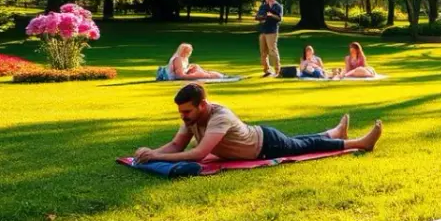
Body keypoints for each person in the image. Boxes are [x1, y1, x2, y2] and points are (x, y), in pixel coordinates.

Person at [133, 83, 382, 164]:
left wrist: (156, 158)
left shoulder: (219, 115)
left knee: (303, 147)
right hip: (260, 138)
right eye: (181, 112)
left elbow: (199, 153)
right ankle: (333, 132)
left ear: (202, 105)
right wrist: (151, 152)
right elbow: (177, 145)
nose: (184, 116)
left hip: (264, 144)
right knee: (299, 142)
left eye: (187, 111)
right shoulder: (191, 117)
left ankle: (358, 143)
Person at [254, 0, 283, 77]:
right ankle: (267, 70)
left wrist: (271, 15)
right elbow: (257, 17)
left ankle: (278, 71)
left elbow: (279, 19)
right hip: (263, 31)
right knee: (263, 52)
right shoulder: (263, 6)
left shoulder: (278, 6)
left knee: (272, 51)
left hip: (272, 31)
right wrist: (262, 18)